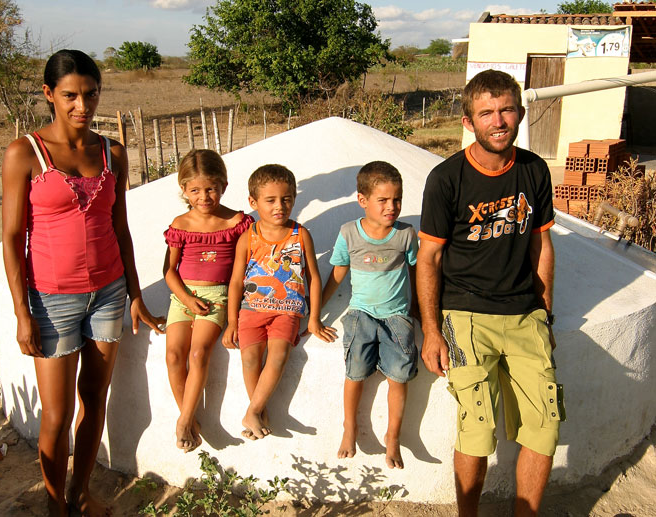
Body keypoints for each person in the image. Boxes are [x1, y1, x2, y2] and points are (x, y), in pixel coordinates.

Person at [1, 50, 165, 517]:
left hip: (109, 295)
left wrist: (134, 293)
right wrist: (21, 313)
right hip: (51, 301)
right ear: (49, 94)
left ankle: (81, 493)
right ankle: (56, 507)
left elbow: (121, 229)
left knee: (94, 399)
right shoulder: (24, 153)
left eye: (91, 94)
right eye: (70, 95)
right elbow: (13, 239)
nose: (82, 105)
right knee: (56, 416)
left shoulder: (112, 152)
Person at [417, 69, 563, 516]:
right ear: (468, 121)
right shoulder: (446, 179)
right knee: (477, 429)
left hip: (524, 316)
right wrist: (432, 331)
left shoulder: (534, 169)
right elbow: (429, 260)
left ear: (519, 112)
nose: (498, 120)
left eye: (506, 110)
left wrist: (544, 311)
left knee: (545, 428)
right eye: (486, 113)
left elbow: (541, 243)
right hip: (465, 318)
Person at [222, 164, 336, 439]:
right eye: (270, 200)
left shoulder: (300, 234)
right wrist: (230, 321)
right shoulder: (248, 237)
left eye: (286, 199)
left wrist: (314, 317)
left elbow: (314, 278)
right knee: (249, 359)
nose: (279, 206)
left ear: (294, 198)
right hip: (250, 310)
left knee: (278, 356)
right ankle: (259, 414)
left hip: (287, 310)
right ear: (253, 202)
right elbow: (236, 281)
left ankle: (254, 412)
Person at [321, 161, 419, 469]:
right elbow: (337, 273)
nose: (392, 207)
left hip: (397, 317)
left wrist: (425, 319)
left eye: (397, 199)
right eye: (383, 200)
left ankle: (393, 436)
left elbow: (418, 276)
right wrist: (316, 311)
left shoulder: (406, 235)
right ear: (363, 200)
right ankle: (350, 427)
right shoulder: (349, 233)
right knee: (355, 374)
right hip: (361, 314)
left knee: (399, 377)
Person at [163, 149, 254, 452]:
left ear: (224, 186)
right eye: (195, 190)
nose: (204, 197)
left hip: (217, 296)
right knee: (174, 356)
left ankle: (183, 422)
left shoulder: (237, 222)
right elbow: (169, 272)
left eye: (211, 188)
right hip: (182, 296)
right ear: (184, 190)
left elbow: (246, 266)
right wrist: (186, 299)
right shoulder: (181, 223)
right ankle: (190, 421)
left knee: (198, 353)